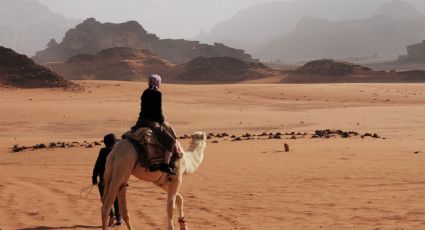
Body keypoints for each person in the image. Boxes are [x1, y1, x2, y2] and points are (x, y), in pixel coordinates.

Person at [132, 74, 180, 175]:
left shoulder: (145, 92)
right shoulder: (158, 94)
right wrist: (162, 119)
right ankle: (165, 165)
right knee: (171, 141)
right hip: (151, 122)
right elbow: (158, 113)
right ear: (158, 83)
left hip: (140, 121)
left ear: (149, 82)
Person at [92, 133, 122, 226]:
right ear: (115, 141)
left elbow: (98, 165)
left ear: (105, 143)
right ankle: (119, 218)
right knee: (117, 199)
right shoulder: (119, 151)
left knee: (105, 199)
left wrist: (94, 177)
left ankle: (111, 214)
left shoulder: (103, 151)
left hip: (104, 180)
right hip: (117, 180)